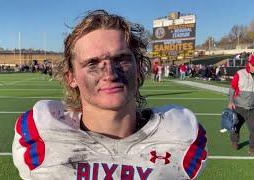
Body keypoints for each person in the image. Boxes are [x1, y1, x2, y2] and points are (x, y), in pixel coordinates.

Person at [12, 10, 207, 179]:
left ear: (139, 68)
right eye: (92, 63)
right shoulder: (43, 139)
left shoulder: (179, 139)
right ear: (71, 77)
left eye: (121, 59)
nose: (110, 74)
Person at [228, 54, 254, 155]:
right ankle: (234, 141)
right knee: (235, 127)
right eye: (253, 65)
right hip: (238, 107)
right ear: (249, 64)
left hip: (251, 108)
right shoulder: (240, 73)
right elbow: (232, 88)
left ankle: (252, 148)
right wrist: (230, 101)